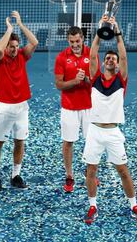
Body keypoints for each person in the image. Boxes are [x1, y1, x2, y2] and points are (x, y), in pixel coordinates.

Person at [83, 15, 137, 225]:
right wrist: (101, 30)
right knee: (91, 171)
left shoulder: (122, 80)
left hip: (113, 132)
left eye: (114, 59)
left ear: (118, 65)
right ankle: (93, 206)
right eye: (108, 58)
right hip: (94, 131)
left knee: (123, 171)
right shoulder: (94, 78)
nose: (111, 59)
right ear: (103, 63)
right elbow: (92, 55)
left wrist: (116, 29)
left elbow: (124, 55)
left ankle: (134, 205)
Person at [0, 11, 38, 191]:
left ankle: (15, 175)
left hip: (21, 107)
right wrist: (9, 29)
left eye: (16, 46)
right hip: (3, 107)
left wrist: (21, 24)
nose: (14, 49)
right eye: (11, 46)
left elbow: (34, 42)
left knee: (20, 141)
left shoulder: (22, 56)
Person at [54, 26, 93, 193]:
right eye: (72, 42)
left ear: (82, 38)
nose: (75, 44)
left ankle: (90, 173)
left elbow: (95, 83)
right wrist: (75, 82)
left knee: (92, 142)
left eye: (77, 41)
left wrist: (85, 81)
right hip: (69, 108)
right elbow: (59, 84)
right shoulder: (61, 58)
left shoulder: (91, 54)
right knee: (68, 142)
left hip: (89, 107)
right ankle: (69, 176)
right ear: (68, 41)